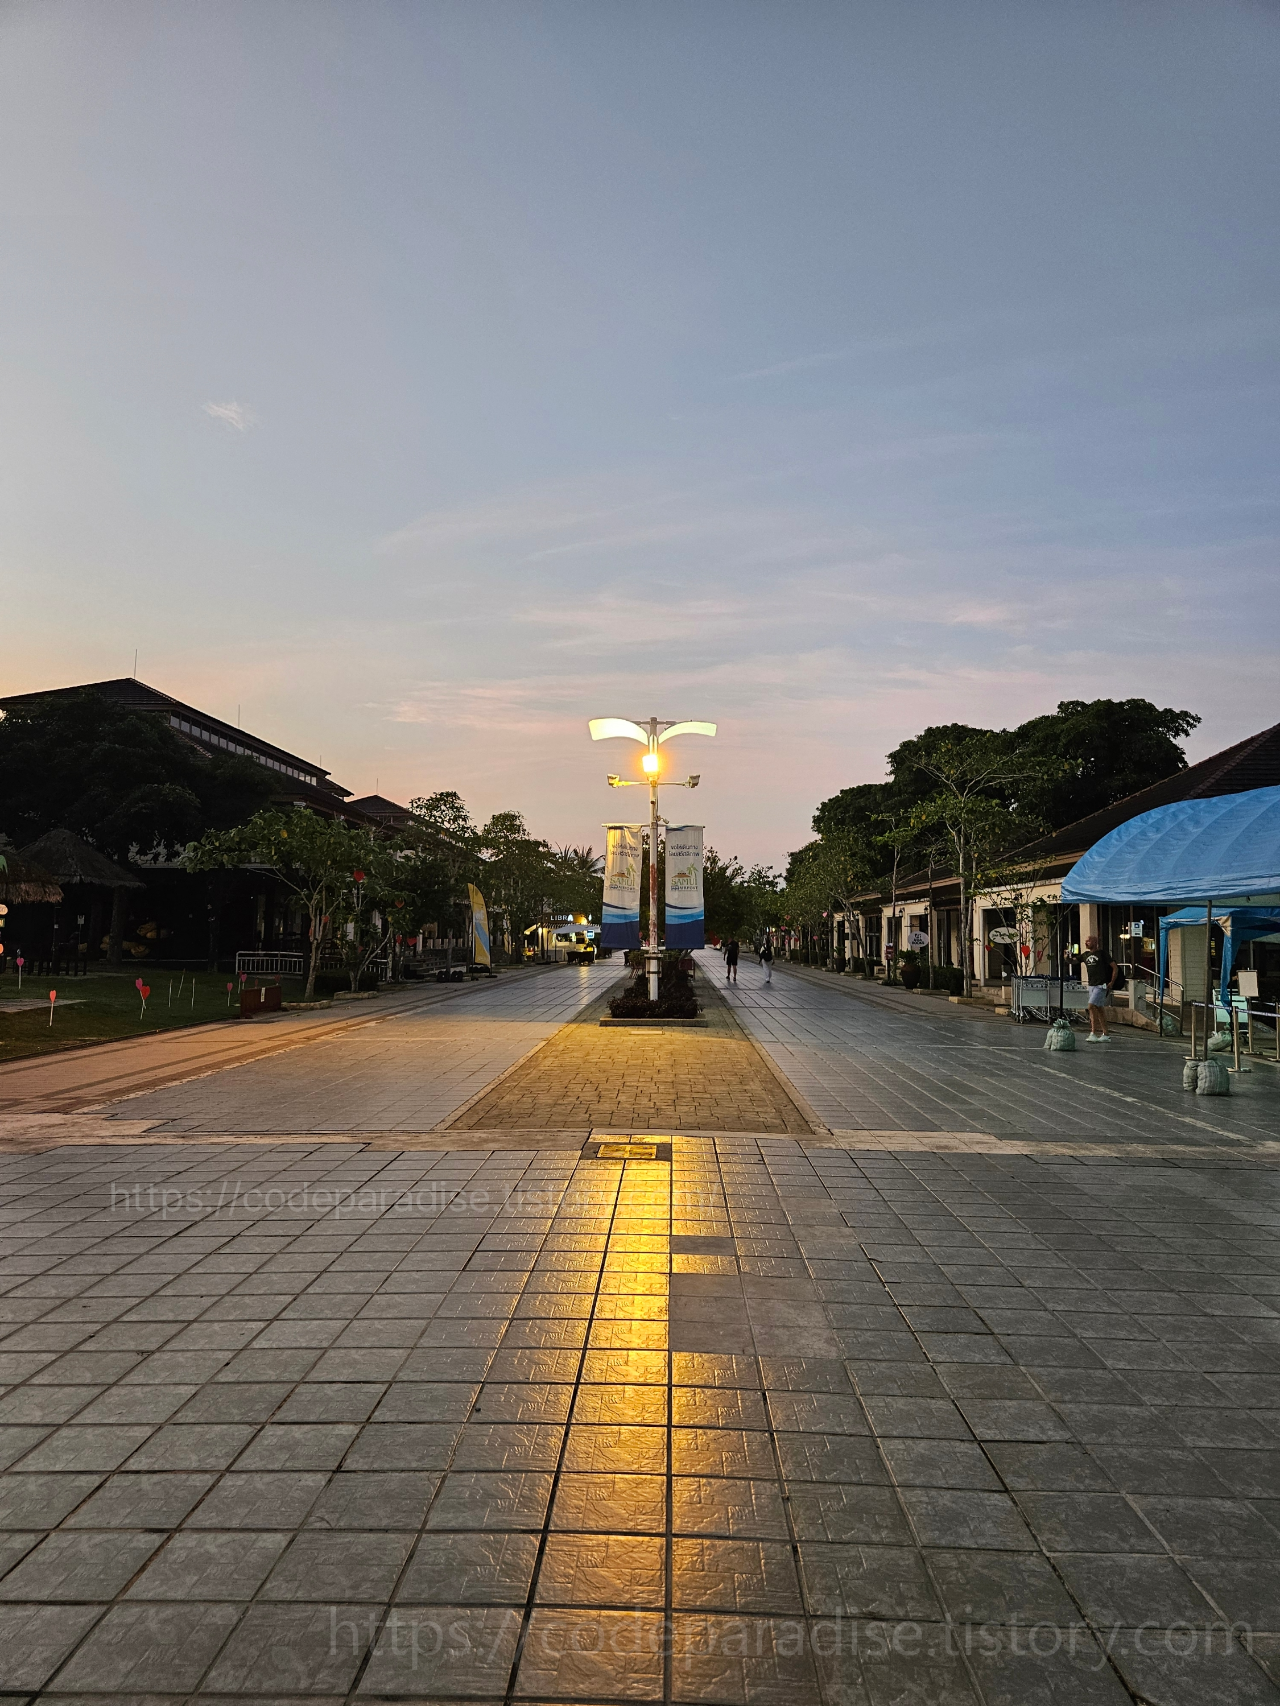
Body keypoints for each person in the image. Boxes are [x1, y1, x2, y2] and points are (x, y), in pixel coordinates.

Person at [1080, 935, 1116, 1042]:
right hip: (1091, 985)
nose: (1086, 943)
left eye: (1088, 941)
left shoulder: (1102, 954)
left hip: (1101, 985)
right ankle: (1106, 1034)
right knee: (1099, 1009)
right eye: (1085, 941)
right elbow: (1074, 960)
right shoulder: (1085, 955)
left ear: (1095, 942)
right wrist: (1066, 957)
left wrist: (1112, 982)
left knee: (1091, 1006)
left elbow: (1115, 967)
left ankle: (1093, 1032)